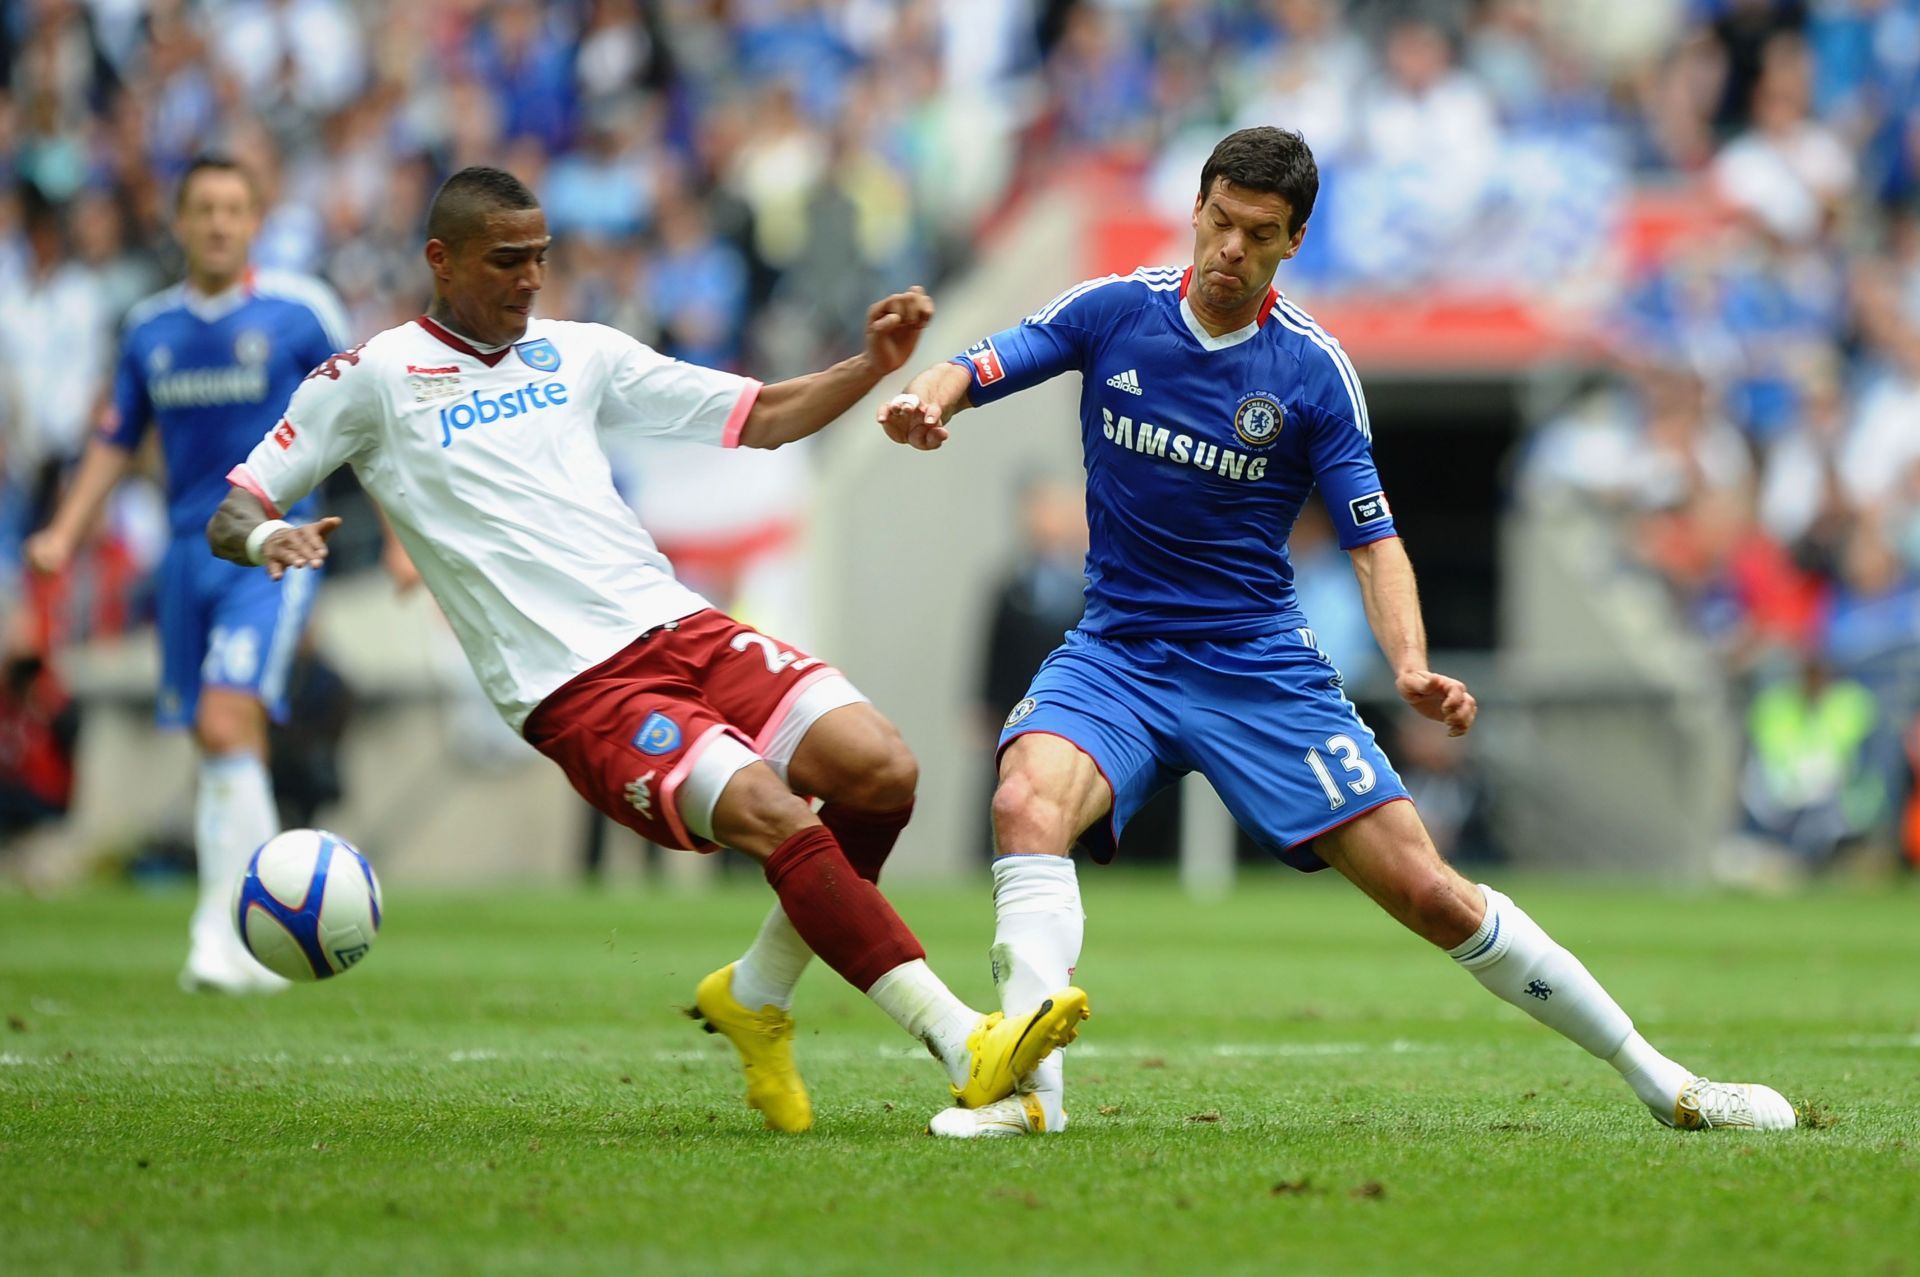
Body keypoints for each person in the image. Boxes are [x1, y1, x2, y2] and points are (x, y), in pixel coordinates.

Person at [880, 126, 1796, 1137]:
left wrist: (1409, 664)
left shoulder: (1311, 371)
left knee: (1431, 892)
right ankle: (1030, 1096)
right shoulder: (1114, 312)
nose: (1229, 247)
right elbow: (986, 359)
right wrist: (932, 395)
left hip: (1257, 669)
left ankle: (1665, 1080)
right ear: (1196, 209)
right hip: (1120, 653)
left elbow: (1374, 539)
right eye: (1220, 221)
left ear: (1294, 241)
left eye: (1257, 233)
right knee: (1024, 798)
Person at [205, 166, 1087, 1132]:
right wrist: (265, 537)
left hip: (678, 625)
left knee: (881, 770)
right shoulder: (369, 378)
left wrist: (870, 364)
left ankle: (756, 993)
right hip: (576, 687)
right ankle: (964, 1038)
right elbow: (239, 501)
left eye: (540, 257)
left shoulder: (578, 352)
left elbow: (761, 417)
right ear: (440, 260)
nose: (531, 278)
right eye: (507, 260)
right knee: (772, 810)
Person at [25, 157, 353, 994]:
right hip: (184, 553)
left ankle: (233, 929)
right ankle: (253, 930)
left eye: (233, 208)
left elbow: (362, 415)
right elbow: (114, 437)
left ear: (254, 220)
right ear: (178, 221)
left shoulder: (299, 312)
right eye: (203, 208)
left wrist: (397, 533)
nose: (217, 222)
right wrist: (66, 530)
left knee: (222, 719)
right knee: (218, 743)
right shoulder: (148, 329)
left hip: (269, 547)